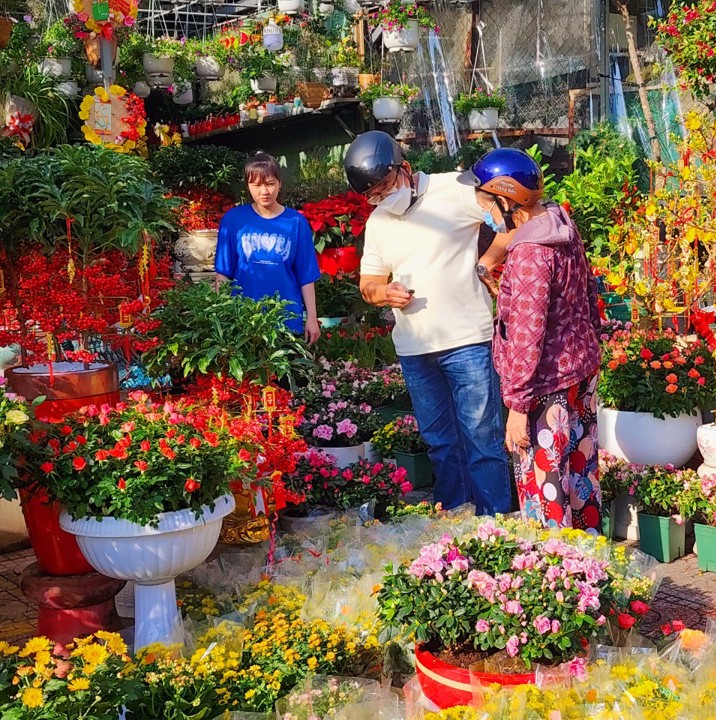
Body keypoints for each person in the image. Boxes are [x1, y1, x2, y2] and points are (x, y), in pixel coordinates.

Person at [345, 130, 512, 516]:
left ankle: (497, 526)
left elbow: (511, 221)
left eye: (385, 187)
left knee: (482, 438)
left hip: (468, 340)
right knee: (439, 441)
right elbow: (367, 284)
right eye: (371, 195)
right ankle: (455, 521)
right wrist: (384, 292)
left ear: (403, 168)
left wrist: (486, 261)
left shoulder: (452, 188)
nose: (381, 198)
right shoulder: (378, 222)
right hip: (415, 349)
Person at [458, 148, 602, 532]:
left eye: (486, 201)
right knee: (580, 480)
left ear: (507, 199)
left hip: (545, 388)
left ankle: (560, 577)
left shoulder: (529, 253)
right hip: (579, 373)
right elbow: (588, 300)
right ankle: (594, 571)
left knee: (546, 492)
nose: (484, 211)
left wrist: (518, 406)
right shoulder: (561, 227)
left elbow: (526, 335)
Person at [215, 152, 321, 345]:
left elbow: (306, 276)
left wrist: (312, 318)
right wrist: (221, 315)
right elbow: (223, 274)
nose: (264, 191)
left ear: (280, 183)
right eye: (256, 185)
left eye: (270, 183)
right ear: (248, 186)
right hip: (243, 323)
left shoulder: (296, 222)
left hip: (286, 323)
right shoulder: (234, 220)